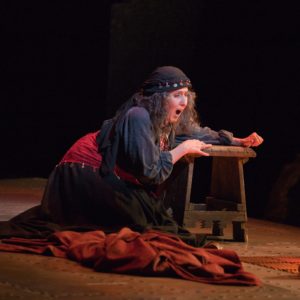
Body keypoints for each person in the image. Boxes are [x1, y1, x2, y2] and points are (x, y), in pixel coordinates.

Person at [0, 66, 263, 244]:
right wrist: (181, 149)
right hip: (81, 172)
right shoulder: (138, 116)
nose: (183, 102)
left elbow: (198, 132)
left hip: (105, 176)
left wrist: (237, 140)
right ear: (159, 98)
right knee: (138, 222)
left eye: (186, 96)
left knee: (148, 217)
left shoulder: (165, 122)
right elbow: (149, 171)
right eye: (176, 95)